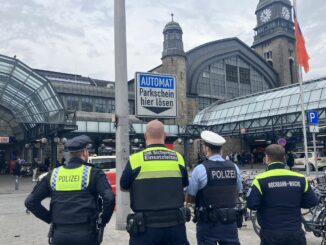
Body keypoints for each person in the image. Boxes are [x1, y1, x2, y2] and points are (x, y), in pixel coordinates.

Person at [25, 135, 115, 245]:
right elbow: (109, 198)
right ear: (84, 152)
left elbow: (30, 202)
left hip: (59, 235)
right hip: (86, 235)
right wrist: (103, 220)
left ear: (71, 154)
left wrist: (50, 218)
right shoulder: (93, 173)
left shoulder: (54, 174)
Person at [120, 119, 190, 245]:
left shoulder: (135, 160)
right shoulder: (178, 158)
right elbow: (184, 184)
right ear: (165, 135)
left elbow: (123, 186)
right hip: (175, 227)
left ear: (145, 135)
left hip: (145, 229)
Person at [247, 144, 319, 245]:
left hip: (271, 234)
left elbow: (252, 204)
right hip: (295, 233)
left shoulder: (259, 180)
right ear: (284, 158)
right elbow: (313, 201)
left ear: (267, 158)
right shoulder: (300, 178)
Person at [186, 130, 242, 245]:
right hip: (230, 222)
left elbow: (190, 197)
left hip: (208, 224)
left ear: (206, 148)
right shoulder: (234, 167)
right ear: (221, 149)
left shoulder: (200, 169)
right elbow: (238, 190)